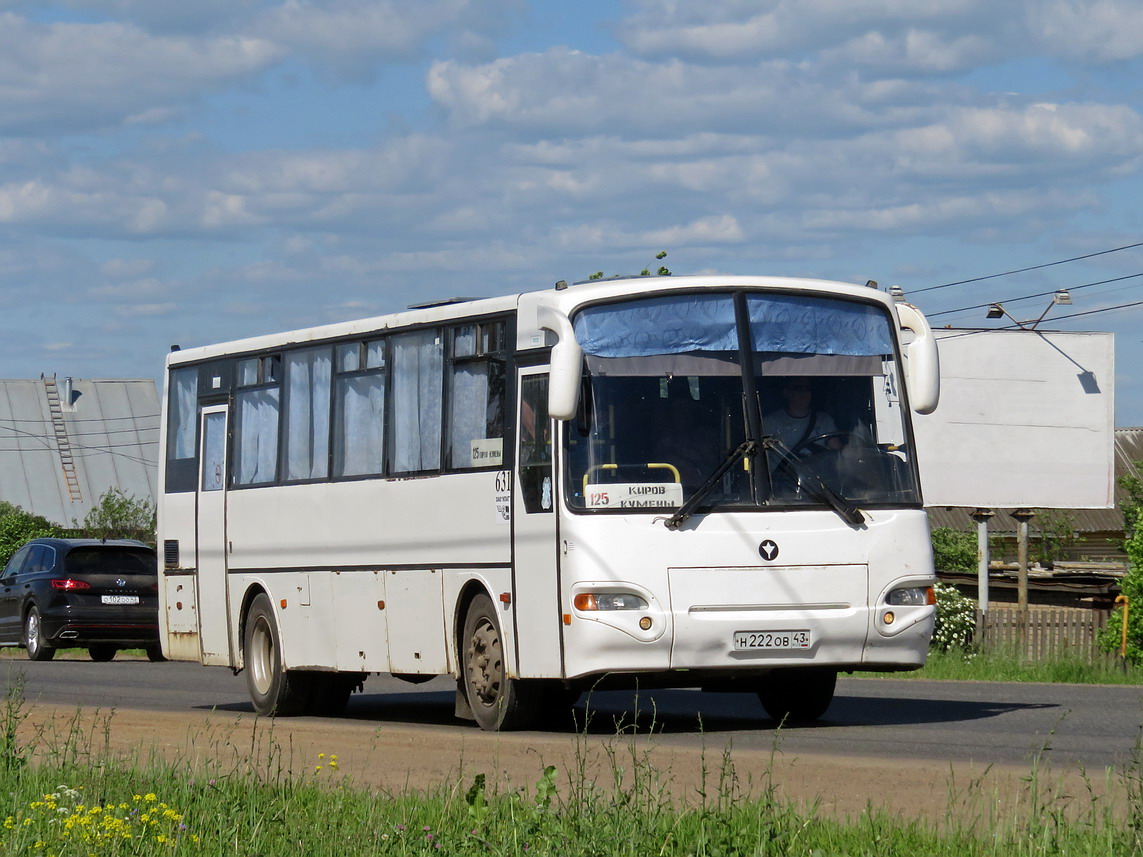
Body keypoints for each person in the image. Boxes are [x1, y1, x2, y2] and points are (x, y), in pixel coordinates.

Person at [763, 377, 843, 455]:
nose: (804, 392)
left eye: (807, 388)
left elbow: (836, 451)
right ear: (786, 392)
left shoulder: (824, 420)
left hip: (815, 467)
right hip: (785, 468)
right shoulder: (770, 422)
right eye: (798, 388)